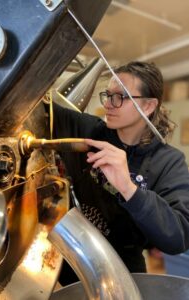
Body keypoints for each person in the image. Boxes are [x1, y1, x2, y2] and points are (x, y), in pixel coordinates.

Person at [45, 61, 189, 285]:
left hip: (122, 275)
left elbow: (178, 237)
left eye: (119, 97)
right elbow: (39, 108)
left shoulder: (169, 162)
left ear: (149, 106)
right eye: (107, 95)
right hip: (66, 264)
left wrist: (129, 189)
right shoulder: (89, 132)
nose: (108, 105)